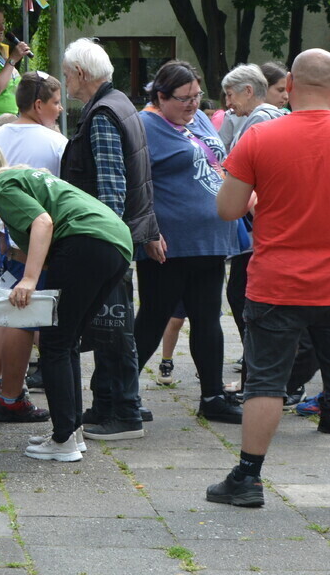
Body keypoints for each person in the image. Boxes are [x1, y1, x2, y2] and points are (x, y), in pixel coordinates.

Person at [207, 49, 330, 510]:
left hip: (277, 281)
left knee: (266, 384)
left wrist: (261, 200)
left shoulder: (260, 137)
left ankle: (249, 479)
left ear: (289, 84)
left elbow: (227, 209)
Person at [0, 138, 133, 462]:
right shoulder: (21, 177)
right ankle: (71, 432)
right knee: (66, 342)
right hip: (114, 243)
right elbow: (53, 249)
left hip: (88, 241)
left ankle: (63, 438)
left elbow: (43, 223)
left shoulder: (3, 185)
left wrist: (28, 279)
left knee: (54, 343)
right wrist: (4, 249)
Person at [60, 38, 159, 441]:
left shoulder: (102, 114)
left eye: (66, 74)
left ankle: (124, 410)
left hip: (109, 237)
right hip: (122, 235)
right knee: (107, 324)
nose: (65, 81)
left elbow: (112, 186)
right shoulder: (119, 104)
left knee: (113, 325)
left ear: (81, 74)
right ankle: (105, 403)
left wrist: (106, 240)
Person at [134, 60, 242, 424]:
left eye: (197, 96)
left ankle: (212, 396)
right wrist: (148, 231)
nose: (194, 105)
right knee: (153, 318)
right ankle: (117, 392)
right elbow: (137, 184)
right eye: (184, 99)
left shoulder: (193, 118)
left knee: (208, 318)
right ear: (161, 96)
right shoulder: (144, 126)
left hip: (210, 240)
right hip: (170, 244)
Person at [0, 70, 68, 423]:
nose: (60, 109)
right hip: (34, 242)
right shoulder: (55, 143)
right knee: (25, 317)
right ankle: (10, 394)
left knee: (10, 311)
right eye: (56, 103)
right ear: (39, 104)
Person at [219, 63, 285, 353]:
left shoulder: (260, 122)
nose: (228, 103)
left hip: (262, 226)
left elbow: (247, 179)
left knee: (243, 295)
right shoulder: (260, 119)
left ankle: (259, 366)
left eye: (230, 95)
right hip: (261, 225)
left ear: (248, 91)